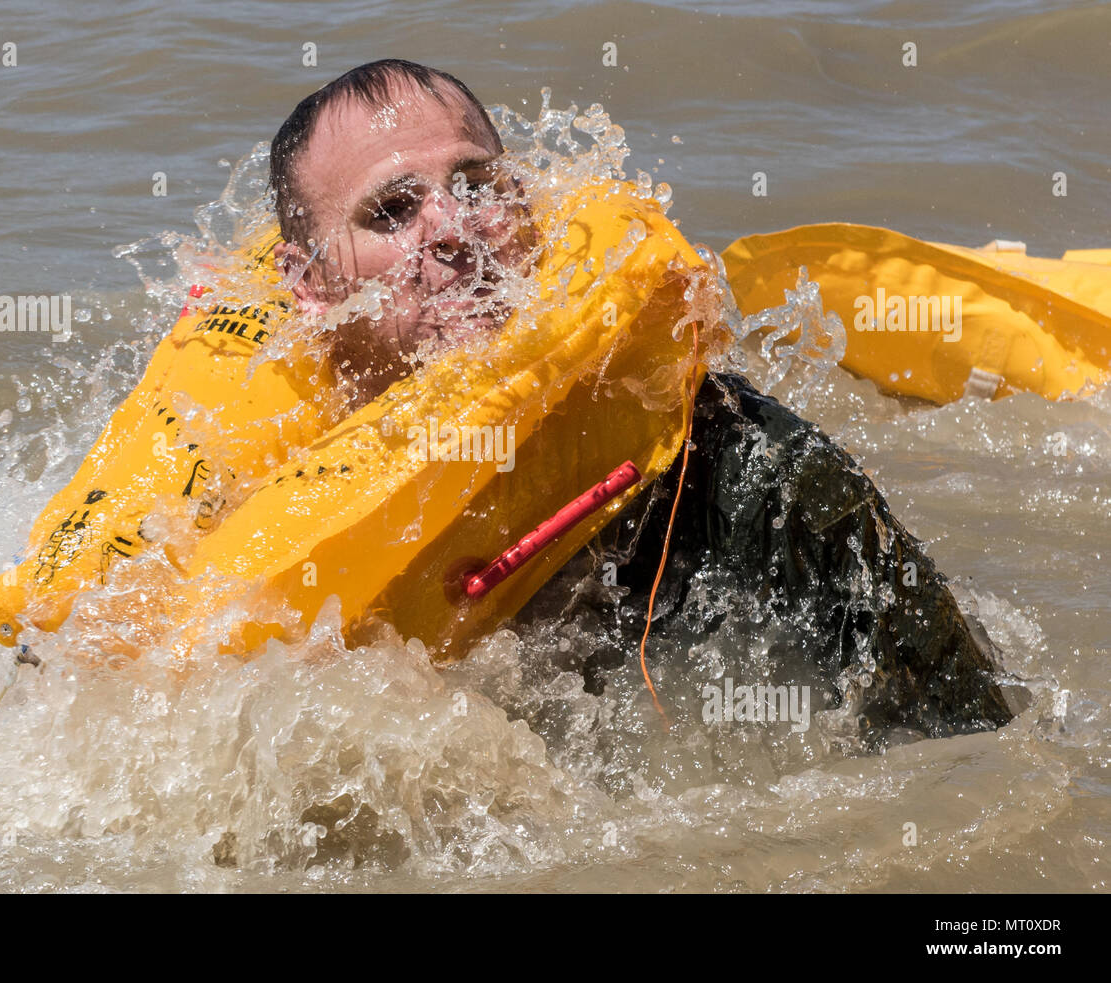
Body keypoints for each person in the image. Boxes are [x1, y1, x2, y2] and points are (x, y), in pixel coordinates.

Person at [267, 59, 1017, 750]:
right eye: (393, 211)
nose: (454, 229)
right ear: (308, 282)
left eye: (475, 185)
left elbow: (980, 757)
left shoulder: (755, 472)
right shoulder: (246, 476)